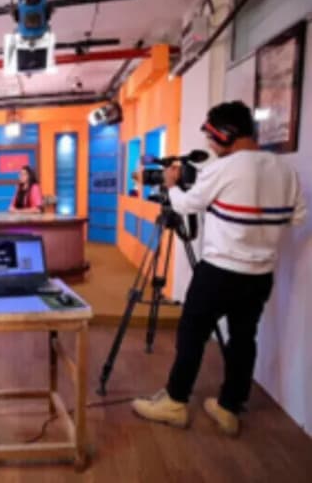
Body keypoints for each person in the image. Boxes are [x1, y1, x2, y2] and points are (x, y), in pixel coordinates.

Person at [131, 101, 307, 436]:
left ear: (226, 133)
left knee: (192, 334)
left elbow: (186, 205)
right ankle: (229, 407)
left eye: (212, 138)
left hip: (219, 272)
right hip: (261, 275)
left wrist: (171, 184)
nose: (210, 146)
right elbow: (296, 218)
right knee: (244, 338)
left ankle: (175, 401)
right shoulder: (285, 171)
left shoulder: (225, 168)